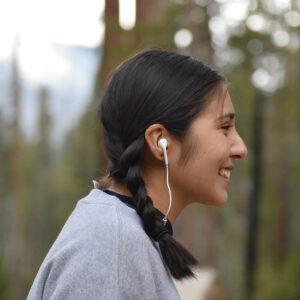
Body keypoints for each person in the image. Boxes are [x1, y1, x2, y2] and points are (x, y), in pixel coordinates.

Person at [27, 49, 247, 299]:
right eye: (225, 127)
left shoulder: (123, 236)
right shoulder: (111, 245)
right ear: (160, 141)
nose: (241, 148)